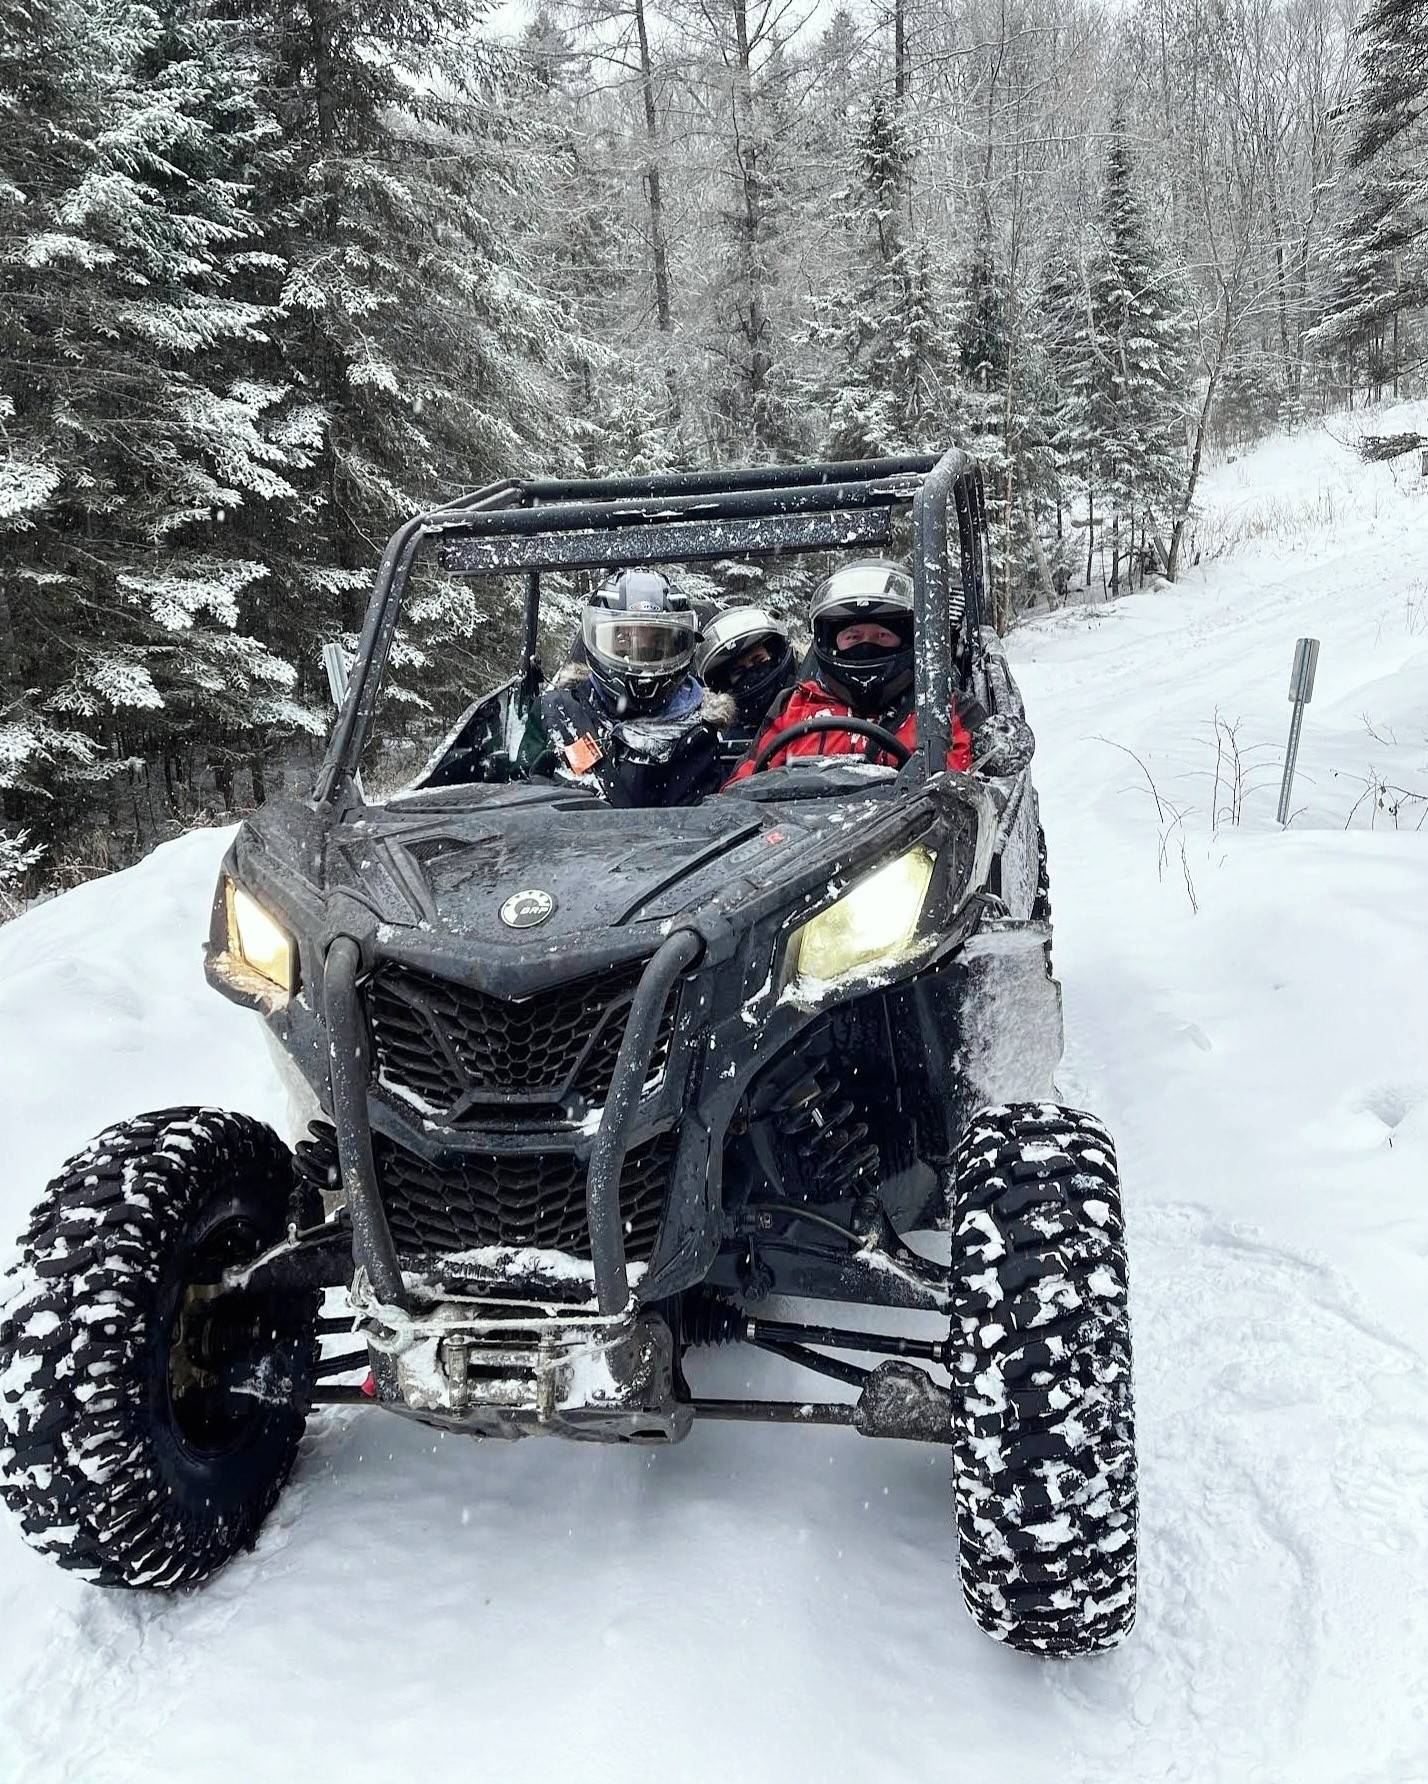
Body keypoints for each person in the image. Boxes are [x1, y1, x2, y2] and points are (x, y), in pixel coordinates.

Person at [725, 559, 972, 784]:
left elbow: (970, 797)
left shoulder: (943, 709)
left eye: (881, 635)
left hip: (908, 829)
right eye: (853, 637)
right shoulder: (793, 707)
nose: (866, 646)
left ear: (907, 640)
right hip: (803, 828)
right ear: (833, 643)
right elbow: (739, 792)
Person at [532, 568, 734, 808]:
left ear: (682, 647)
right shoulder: (556, 713)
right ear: (595, 639)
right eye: (623, 643)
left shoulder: (697, 737)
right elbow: (513, 796)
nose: (640, 662)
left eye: (657, 646)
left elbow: (695, 824)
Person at [694, 605, 797, 775]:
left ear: (775, 656)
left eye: (758, 660)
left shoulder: (809, 709)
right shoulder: (717, 737)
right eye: (740, 671)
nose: (752, 671)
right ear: (726, 683)